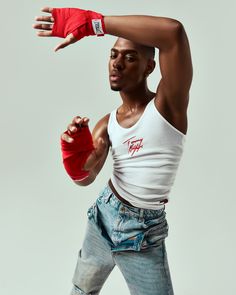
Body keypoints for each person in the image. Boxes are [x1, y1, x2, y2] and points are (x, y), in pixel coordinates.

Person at [33, 6, 193, 295]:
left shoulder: (167, 107)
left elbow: (174, 34)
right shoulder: (108, 123)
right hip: (102, 217)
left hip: (142, 234)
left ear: (149, 67)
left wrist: (95, 24)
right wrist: (73, 154)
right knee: (80, 292)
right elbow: (86, 176)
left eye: (130, 57)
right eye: (113, 55)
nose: (117, 63)